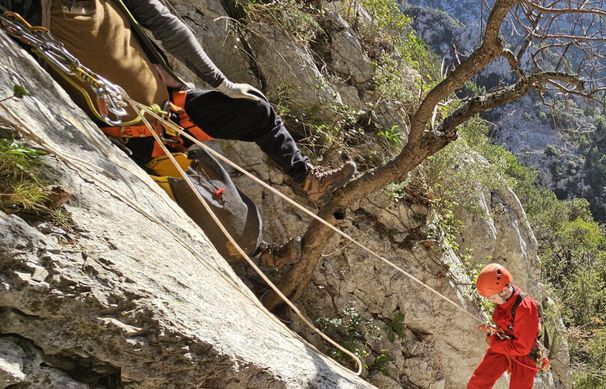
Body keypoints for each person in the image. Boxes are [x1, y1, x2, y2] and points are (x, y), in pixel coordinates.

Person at [2, 0, 355, 265]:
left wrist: (222, 83)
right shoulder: (26, 6)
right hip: (122, 129)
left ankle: (308, 178)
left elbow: (165, 24)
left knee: (255, 112)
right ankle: (260, 254)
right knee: (199, 193)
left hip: (170, 105)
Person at [456, 263, 540, 389]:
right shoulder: (502, 299)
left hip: (524, 355)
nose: (491, 301)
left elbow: (522, 347)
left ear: (504, 290)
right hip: (504, 344)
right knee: (478, 382)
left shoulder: (526, 308)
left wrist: (494, 343)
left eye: (492, 297)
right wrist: (495, 334)